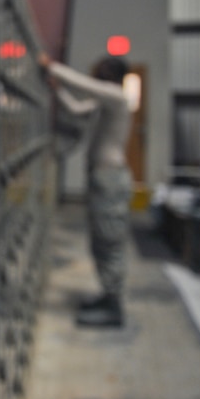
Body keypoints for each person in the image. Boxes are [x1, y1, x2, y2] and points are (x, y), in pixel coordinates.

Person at [39, 53, 133, 327]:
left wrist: (51, 67)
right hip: (102, 179)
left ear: (113, 74)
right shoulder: (106, 99)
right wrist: (57, 91)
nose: (96, 72)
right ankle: (107, 294)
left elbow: (85, 86)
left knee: (110, 239)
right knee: (101, 240)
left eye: (102, 69)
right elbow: (77, 109)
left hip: (111, 180)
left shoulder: (117, 95)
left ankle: (114, 305)